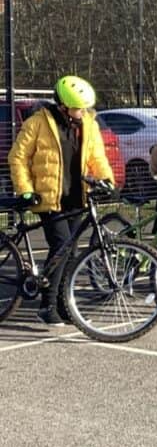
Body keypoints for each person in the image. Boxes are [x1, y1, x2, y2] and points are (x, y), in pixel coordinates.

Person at [8, 75, 114, 325]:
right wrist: (25, 189)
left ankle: (65, 305)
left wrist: (106, 180)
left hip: (77, 197)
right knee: (62, 245)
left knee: (72, 250)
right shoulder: (38, 122)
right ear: (64, 105)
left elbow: (97, 157)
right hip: (48, 197)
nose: (83, 111)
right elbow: (18, 158)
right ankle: (47, 305)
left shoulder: (89, 123)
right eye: (78, 107)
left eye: (85, 107)